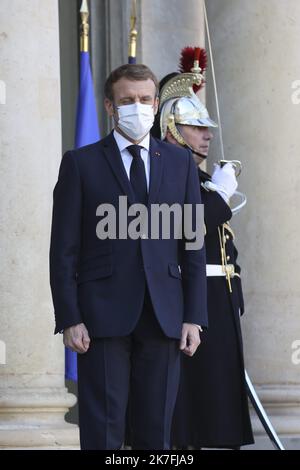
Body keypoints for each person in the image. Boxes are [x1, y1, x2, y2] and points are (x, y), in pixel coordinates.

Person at [49, 63, 207, 450]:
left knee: (157, 432)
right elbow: (63, 250)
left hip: (165, 313)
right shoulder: (81, 163)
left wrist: (194, 316)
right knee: (104, 428)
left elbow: (193, 244)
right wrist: (70, 318)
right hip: (101, 316)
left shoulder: (180, 162)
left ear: (156, 104)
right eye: (127, 100)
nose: (137, 107)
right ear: (109, 106)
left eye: (144, 99)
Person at [157, 52, 254, 449]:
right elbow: (187, 225)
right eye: (196, 126)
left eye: (205, 126)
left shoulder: (194, 174)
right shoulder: (165, 172)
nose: (207, 134)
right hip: (190, 301)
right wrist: (220, 194)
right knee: (192, 410)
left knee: (217, 407)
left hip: (219, 299)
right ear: (171, 128)